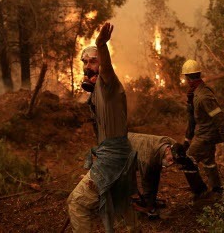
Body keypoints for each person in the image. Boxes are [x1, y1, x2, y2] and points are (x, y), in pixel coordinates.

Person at [67, 23, 139, 233]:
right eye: (85, 62)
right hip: (115, 157)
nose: (88, 66)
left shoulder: (109, 84)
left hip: (114, 160)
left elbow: (106, 69)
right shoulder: (96, 91)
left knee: (77, 203)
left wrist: (101, 45)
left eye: (93, 61)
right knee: (119, 210)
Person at [181, 59, 224, 198]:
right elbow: (192, 118)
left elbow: (220, 117)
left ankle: (200, 192)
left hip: (205, 136)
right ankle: (217, 190)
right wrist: (188, 138)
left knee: (188, 161)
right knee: (208, 161)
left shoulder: (203, 96)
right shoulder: (195, 93)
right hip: (203, 134)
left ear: (187, 77)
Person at [127, 132, 207, 217]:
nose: (171, 163)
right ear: (168, 150)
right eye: (171, 159)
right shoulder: (147, 158)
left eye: (174, 162)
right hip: (126, 146)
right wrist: (149, 204)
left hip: (144, 146)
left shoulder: (172, 144)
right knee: (146, 178)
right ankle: (143, 204)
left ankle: (150, 200)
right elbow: (146, 180)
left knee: (154, 172)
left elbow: (186, 159)